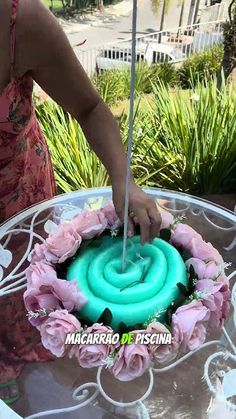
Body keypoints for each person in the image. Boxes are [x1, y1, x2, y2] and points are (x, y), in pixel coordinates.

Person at [0, 0, 161, 404]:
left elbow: (90, 108)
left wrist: (122, 178)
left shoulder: (23, 23)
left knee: (27, 306)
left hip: (20, 199)